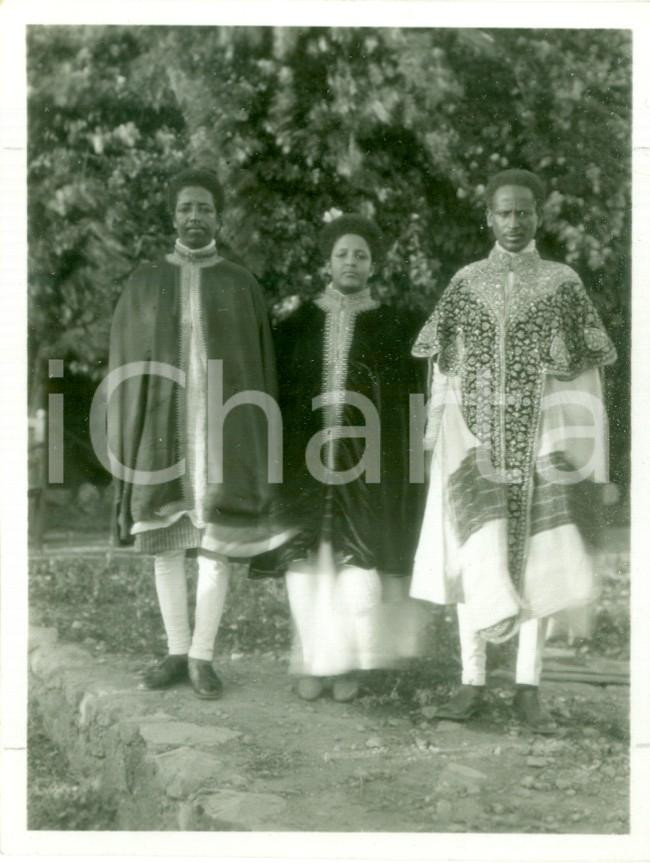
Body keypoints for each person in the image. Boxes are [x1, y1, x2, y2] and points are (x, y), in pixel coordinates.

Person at [410, 169, 616, 732]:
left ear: (538, 216)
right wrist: (438, 433)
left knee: (540, 555)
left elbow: (588, 366)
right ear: (489, 217)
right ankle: (471, 682)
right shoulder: (465, 282)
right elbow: (442, 367)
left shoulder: (562, 282)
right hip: (474, 441)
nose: (515, 221)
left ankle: (528, 688)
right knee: (475, 548)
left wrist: (570, 438)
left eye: (525, 211)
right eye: (505, 211)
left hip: (540, 441)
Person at [107, 168, 289, 699]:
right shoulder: (144, 282)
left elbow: (257, 368)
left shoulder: (240, 283)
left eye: (204, 208)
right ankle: (176, 650)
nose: (194, 216)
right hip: (160, 429)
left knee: (216, 545)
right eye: (186, 207)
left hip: (224, 432)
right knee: (165, 544)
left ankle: (203, 657)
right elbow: (124, 362)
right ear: (173, 215)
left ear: (218, 217)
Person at [252, 214, 428, 702]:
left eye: (361, 255)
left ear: (374, 265)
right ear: (327, 262)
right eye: (343, 254)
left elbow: (404, 406)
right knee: (305, 565)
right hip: (301, 463)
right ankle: (312, 659)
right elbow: (277, 396)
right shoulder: (297, 325)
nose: (351, 262)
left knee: (357, 566)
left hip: (366, 466)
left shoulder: (393, 328)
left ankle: (346, 662)